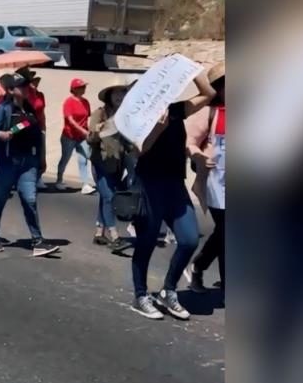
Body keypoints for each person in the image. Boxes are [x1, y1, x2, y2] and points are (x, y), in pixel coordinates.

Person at [129, 69, 216, 321]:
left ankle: (168, 290)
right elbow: (140, 151)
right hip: (149, 184)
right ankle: (140, 295)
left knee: (189, 239)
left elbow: (208, 93)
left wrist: (194, 71)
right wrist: (158, 128)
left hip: (175, 184)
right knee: (146, 241)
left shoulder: (176, 109)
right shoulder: (136, 118)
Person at [0, 72, 60, 257]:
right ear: (11, 90)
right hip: (6, 161)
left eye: (27, 85)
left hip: (28, 161)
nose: (26, 88)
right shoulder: (2, 108)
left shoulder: (29, 109)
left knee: (30, 200)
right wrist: (1, 135)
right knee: (0, 199)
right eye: (22, 86)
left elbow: (38, 134)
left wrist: (41, 158)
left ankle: (37, 240)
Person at [185, 63, 225, 293]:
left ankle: (199, 265)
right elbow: (189, 142)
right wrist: (199, 155)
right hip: (216, 180)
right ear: (219, 87)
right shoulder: (209, 112)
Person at [87, 79, 135, 252]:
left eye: (122, 93)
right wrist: (98, 131)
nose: (119, 96)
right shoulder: (100, 113)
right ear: (109, 96)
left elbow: (127, 141)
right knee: (109, 197)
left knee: (104, 197)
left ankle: (99, 232)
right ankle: (114, 237)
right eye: (116, 93)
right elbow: (90, 139)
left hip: (117, 164)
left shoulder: (124, 116)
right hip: (100, 163)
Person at [56, 78, 96, 193]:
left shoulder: (85, 102)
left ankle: (85, 184)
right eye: (81, 87)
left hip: (82, 137)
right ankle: (59, 180)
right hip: (69, 136)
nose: (84, 88)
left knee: (83, 159)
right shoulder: (69, 102)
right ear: (75, 89)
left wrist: (88, 131)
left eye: (84, 86)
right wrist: (82, 131)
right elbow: (70, 120)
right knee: (65, 158)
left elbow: (86, 118)